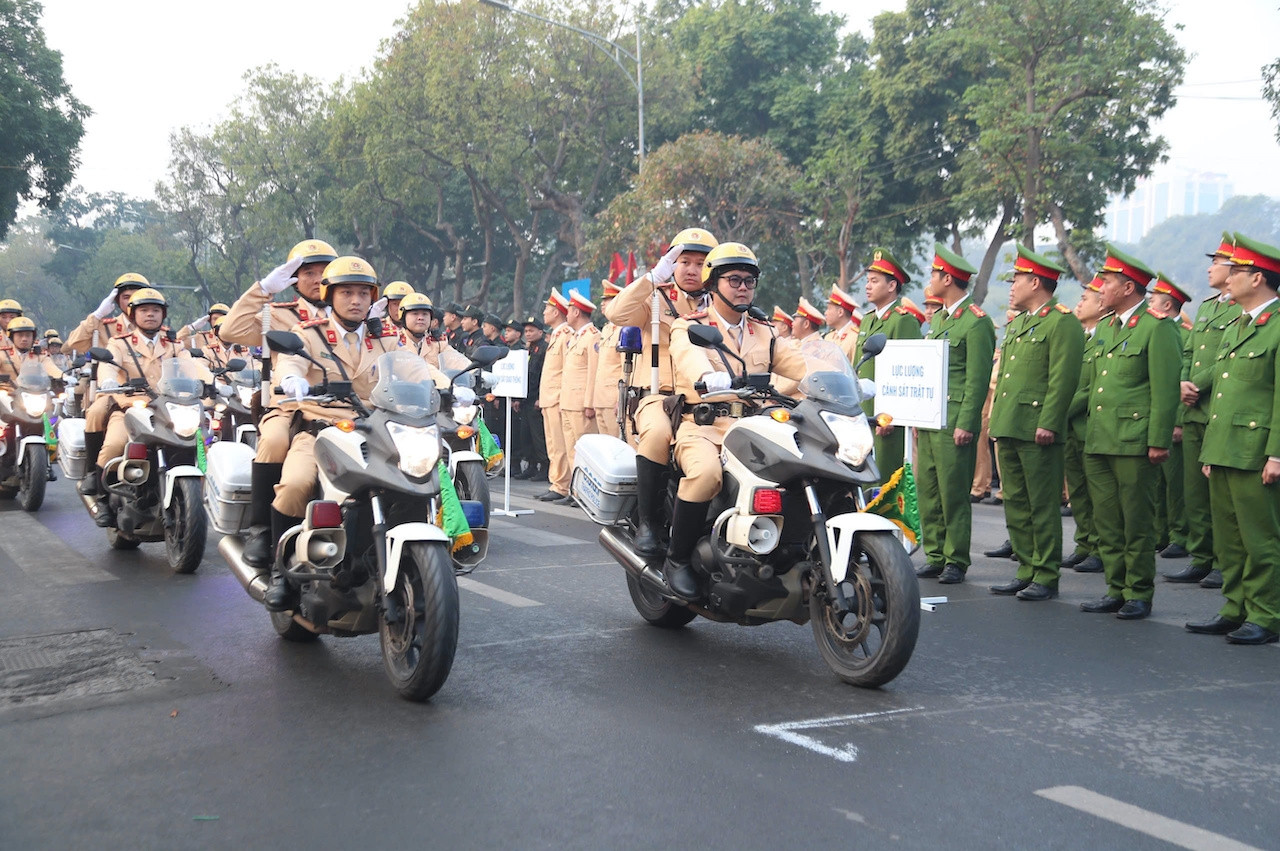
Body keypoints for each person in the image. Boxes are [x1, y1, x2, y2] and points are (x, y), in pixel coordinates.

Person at [665, 242, 808, 598]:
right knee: (706, 474)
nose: (743, 287)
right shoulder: (691, 327)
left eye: (749, 281)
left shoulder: (765, 331)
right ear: (713, 284)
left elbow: (801, 367)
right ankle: (677, 559)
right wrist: (707, 377)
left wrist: (846, 380)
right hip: (704, 427)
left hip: (756, 428)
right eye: (734, 280)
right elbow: (689, 357)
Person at [265, 256, 403, 610]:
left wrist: (450, 386)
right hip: (321, 430)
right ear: (329, 295)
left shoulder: (385, 339)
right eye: (346, 293)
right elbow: (290, 362)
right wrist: (291, 379)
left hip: (375, 434)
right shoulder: (308, 334)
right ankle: (282, 572)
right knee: (296, 484)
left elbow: (415, 371)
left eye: (362, 293)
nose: (355, 300)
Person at [1077, 246, 1180, 620]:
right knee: (1107, 520)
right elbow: (1095, 386)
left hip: (1134, 441)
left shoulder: (1156, 328)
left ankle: (1138, 591)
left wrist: (1157, 440)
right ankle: (1115, 587)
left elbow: (1166, 390)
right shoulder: (1105, 327)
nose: (1100, 289)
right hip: (1100, 438)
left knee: (1136, 520)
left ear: (1128, 288)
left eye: (1107, 283)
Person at [1186, 233, 1280, 644]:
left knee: (1260, 540)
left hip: (1256, 451)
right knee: (1230, 539)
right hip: (1225, 447)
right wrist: (1212, 449)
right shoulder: (1239, 324)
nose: (1228, 279)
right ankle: (1235, 607)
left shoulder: (1275, 327)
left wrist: (1276, 454)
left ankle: (1266, 614)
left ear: (1257, 278)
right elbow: (1224, 392)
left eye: (1237, 271)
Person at [603, 227, 719, 553]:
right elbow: (616, 313)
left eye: (701, 262)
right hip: (659, 396)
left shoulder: (720, 304)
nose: (692, 269)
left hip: (706, 399)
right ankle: (649, 524)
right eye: (684, 261)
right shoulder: (656, 297)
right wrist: (653, 277)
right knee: (656, 434)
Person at [986, 246, 1085, 601]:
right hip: (1010, 424)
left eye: (1017, 280)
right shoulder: (1020, 324)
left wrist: (1050, 422)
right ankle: (1026, 568)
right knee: (1015, 500)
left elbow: (1063, 379)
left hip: (1037, 427)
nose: (1011, 286)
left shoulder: (1061, 322)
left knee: (1041, 504)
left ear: (1036, 282)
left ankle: (1045, 573)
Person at [915, 246, 995, 585]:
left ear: (948, 279)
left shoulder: (976, 323)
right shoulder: (942, 320)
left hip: (954, 420)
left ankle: (955, 558)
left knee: (953, 491)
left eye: (935, 274)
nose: (930, 280)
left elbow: (977, 380)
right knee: (928, 488)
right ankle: (934, 553)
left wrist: (966, 423)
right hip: (932, 417)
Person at [83, 289, 197, 527]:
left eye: (156, 310)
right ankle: (103, 500)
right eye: (144, 310)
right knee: (115, 443)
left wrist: (213, 383)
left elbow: (193, 368)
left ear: (163, 315)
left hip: (167, 409)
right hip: (131, 408)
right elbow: (107, 365)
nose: (150, 315)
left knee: (200, 439)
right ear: (133, 314)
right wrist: (108, 380)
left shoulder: (175, 346)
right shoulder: (119, 343)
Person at [1171, 233, 1242, 588]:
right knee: (1194, 492)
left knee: (1218, 494)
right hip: (1193, 409)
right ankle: (1200, 556)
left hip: (1214, 406)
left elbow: (1228, 360)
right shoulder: (1208, 307)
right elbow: (1189, 352)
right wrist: (1184, 381)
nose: (1210, 268)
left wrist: (1196, 384)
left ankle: (1219, 560)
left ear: (1235, 269)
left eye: (1217, 262)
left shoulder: (1239, 310)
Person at [855, 246, 923, 483]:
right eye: (868, 280)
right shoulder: (868, 320)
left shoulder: (902, 321)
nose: (868, 286)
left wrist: (892, 415)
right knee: (863, 482)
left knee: (884, 483)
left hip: (886, 419)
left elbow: (907, 373)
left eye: (874, 281)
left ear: (892, 285)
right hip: (864, 413)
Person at [1062, 276, 1109, 575]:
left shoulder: (1105, 336)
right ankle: (1085, 543)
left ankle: (1101, 547)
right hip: (1070, 426)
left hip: (1089, 423)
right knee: (1078, 491)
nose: (1079, 304)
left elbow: (1093, 387)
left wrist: (1060, 411)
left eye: (1085, 299)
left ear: (1101, 304)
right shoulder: (1080, 336)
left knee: (1097, 494)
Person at [1148, 273, 1193, 560]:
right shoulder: (1156, 329)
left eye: (1152, 300)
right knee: (1158, 483)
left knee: (1176, 484)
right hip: (1155, 418)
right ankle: (1160, 532)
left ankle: (1179, 534)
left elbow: (1178, 381)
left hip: (1175, 419)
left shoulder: (1183, 333)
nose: (1148, 304)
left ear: (1166, 306)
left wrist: (1176, 421)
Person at [557, 290, 601, 505]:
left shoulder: (593, 336)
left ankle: (586, 494)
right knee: (571, 450)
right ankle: (575, 492)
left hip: (581, 404)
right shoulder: (576, 337)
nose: (566, 314)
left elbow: (594, 372)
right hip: (568, 402)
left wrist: (589, 403)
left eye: (569, 310)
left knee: (585, 452)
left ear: (576, 312)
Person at [535, 291, 574, 501]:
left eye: (547, 309)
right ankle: (557, 482)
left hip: (558, 398)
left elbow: (567, 370)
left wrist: (560, 397)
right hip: (549, 398)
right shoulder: (557, 335)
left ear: (557, 312)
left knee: (561, 445)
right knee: (553, 444)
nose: (544, 313)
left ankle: (562, 486)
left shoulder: (566, 334)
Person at [65, 273, 148, 355]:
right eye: (126, 297)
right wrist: (97, 315)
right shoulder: (104, 329)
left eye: (136, 297)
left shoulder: (157, 332)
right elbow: (74, 342)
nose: (131, 301)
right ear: (117, 301)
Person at [513, 316, 549, 480]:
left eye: (531, 330)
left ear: (540, 332)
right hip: (525, 398)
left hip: (536, 398)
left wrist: (541, 397)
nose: (527, 334)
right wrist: (518, 399)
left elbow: (545, 376)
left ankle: (545, 467)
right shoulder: (527, 349)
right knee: (525, 435)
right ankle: (531, 465)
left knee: (538, 435)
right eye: (526, 331)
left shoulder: (544, 349)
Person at [593, 281, 625, 438]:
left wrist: (621, 399)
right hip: (600, 398)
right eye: (603, 300)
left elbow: (626, 369)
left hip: (613, 400)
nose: (603, 303)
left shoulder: (625, 330)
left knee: (615, 447)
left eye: (608, 300)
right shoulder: (606, 329)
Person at [823, 284, 861, 363]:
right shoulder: (828, 337)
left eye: (829, 309)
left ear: (840, 312)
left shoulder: (855, 337)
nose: (825, 313)